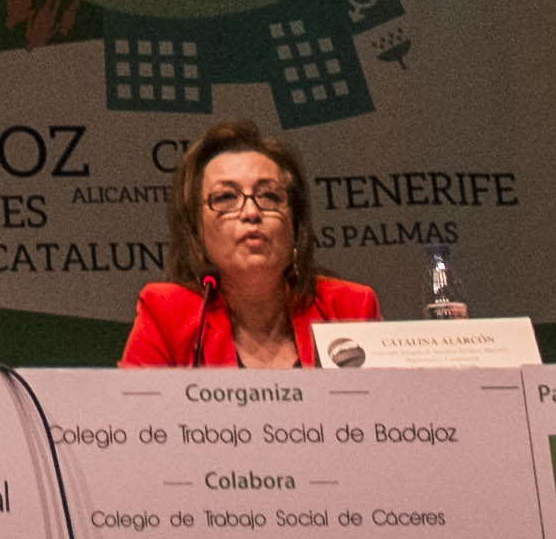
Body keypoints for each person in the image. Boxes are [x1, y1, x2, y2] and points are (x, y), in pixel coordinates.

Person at [119, 118, 379, 367]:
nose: (251, 212)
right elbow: (135, 400)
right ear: (196, 228)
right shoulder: (167, 315)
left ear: (295, 222)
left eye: (269, 196)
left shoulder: (350, 308)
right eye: (225, 197)